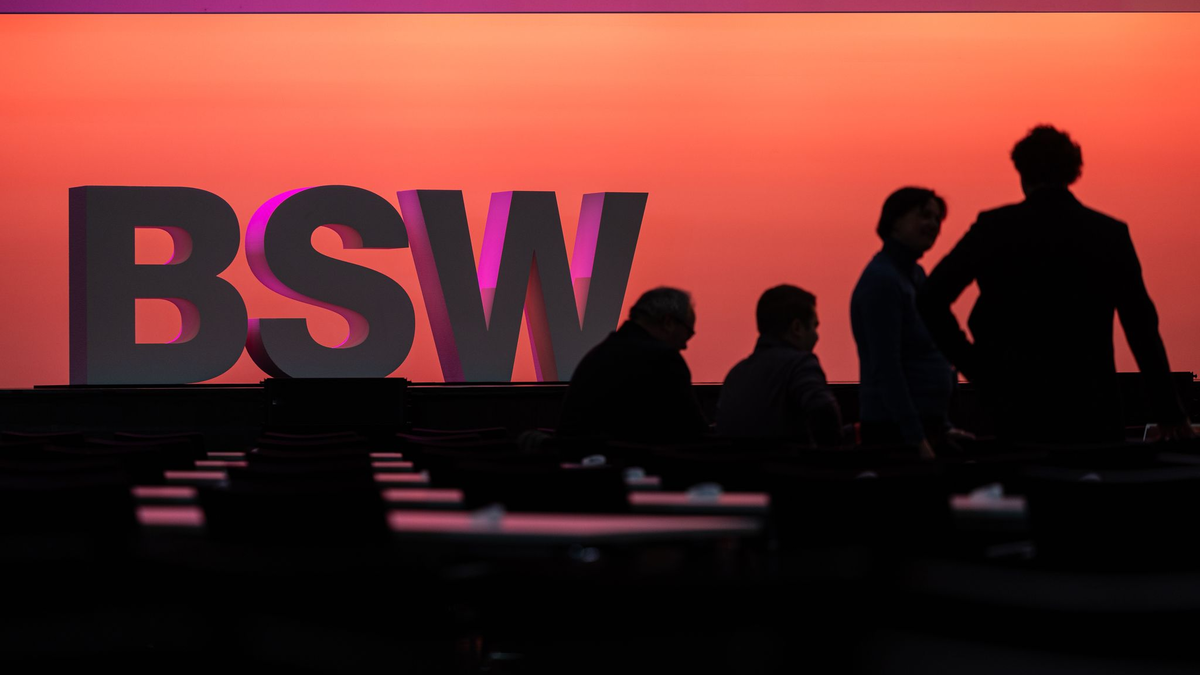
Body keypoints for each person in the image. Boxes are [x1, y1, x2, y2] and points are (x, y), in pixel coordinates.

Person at [917, 125, 1194, 444]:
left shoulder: (993, 228)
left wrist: (978, 369)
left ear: (1021, 172)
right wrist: (1169, 411)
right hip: (1092, 406)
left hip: (1016, 405)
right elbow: (1141, 327)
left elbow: (930, 299)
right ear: (1073, 172)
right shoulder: (1109, 234)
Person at [850, 187, 956, 457]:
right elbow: (887, 367)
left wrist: (942, 426)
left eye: (937, 219)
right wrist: (915, 438)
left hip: (926, 426)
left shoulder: (916, 276)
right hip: (895, 432)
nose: (933, 225)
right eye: (924, 215)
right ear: (895, 220)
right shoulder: (882, 281)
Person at [557, 287, 707, 440]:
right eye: (688, 333)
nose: (685, 346)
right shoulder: (663, 359)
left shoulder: (600, 353)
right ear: (668, 322)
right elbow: (693, 430)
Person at [716, 285, 842, 446]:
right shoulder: (799, 365)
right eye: (814, 326)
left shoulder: (735, 375)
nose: (816, 336)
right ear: (797, 328)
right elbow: (824, 414)